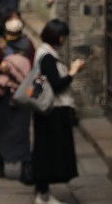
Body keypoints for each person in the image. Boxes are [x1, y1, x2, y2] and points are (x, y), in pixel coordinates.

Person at [31, 19, 87, 204]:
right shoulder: (47, 57)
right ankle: (42, 195)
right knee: (48, 152)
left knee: (44, 150)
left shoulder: (43, 53)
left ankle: (43, 193)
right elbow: (56, 84)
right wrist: (72, 72)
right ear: (59, 37)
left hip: (46, 111)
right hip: (52, 111)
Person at [0, 11, 35, 183]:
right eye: (11, 19)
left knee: (22, 130)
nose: (15, 22)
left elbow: (34, 66)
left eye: (16, 18)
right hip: (3, 94)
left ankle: (25, 163)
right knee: (1, 128)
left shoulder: (28, 43)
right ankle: (0, 163)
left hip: (22, 94)